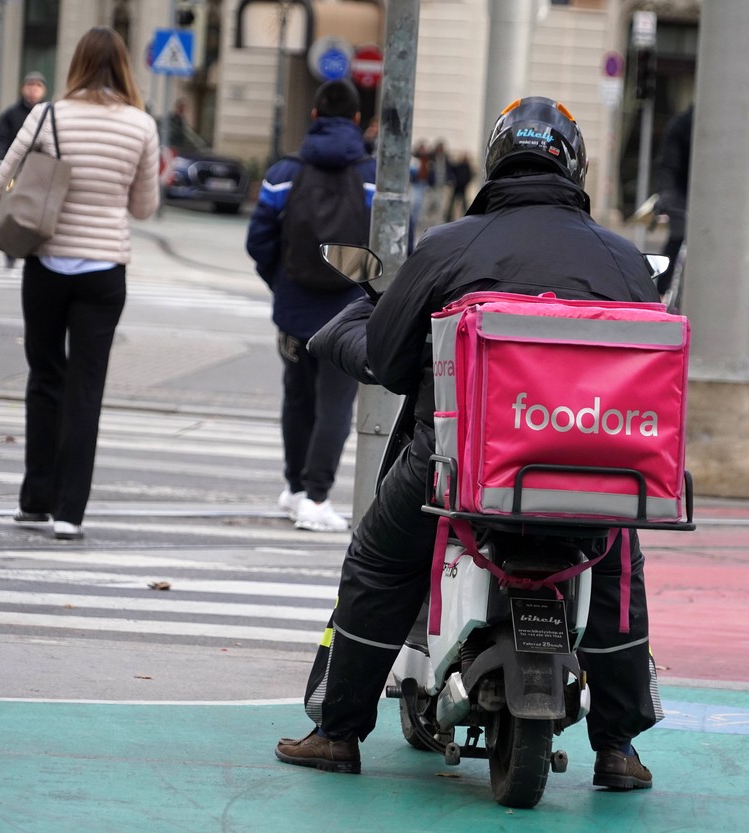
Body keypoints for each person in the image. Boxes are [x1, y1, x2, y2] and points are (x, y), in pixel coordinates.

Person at [275, 96, 663, 791]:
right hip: (594, 471)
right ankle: (618, 749)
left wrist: (339, 334)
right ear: (574, 165)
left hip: (457, 468)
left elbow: (390, 361)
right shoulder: (626, 262)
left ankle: (337, 733)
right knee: (617, 568)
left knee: (379, 561)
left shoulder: (451, 246)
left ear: (494, 160)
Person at [0, 27, 160, 541]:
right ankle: (70, 513)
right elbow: (144, 208)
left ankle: (34, 501)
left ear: (77, 64)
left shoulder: (46, 115)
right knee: (87, 389)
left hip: (46, 264)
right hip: (105, 271)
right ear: (125, 68)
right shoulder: (141, 126)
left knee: (45, 378)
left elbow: (1, 185)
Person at [245, 80, 375, 532]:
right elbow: (398, 246)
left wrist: (280, 282)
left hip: (294, 309)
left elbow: (258, 239)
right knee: (335, 407)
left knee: (296, 398)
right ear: (357, 119)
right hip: (349, 313)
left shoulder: (284, 172)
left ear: (314, 116)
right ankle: (317, 499)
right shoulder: (374, 176)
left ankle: (295, 489)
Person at [0, 71, 49, 268]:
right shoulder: (11, 114)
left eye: (37, 86)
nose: (33, 90)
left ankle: (32, 250)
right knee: (13, 212)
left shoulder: (48, 116)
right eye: (30, 85)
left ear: (43, 90)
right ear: (23, 88)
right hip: (17, 172)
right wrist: (1, 159)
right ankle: (10, 250)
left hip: (39, 173)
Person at [652, 105, 693, 296]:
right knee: (677, 239)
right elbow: (668, 163)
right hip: (680, 190)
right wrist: (666, 194)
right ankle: (661, 293)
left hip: (708, 194)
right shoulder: (684, 122)